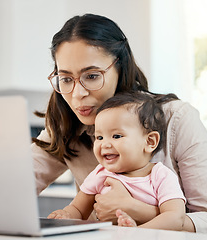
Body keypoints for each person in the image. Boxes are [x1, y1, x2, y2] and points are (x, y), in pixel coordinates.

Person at [31, 13, 207, 235]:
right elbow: (9, 188)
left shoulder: (176, 119)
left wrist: (138, 210)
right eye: (66, 79)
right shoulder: (66, 127)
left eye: (91, 76)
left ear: (120, 68)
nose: (77, 94)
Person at [48, 92, 187, 231]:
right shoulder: (100, 174)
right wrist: (65, 215)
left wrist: (137, 233)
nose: (105, 144)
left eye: (116, 136)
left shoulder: (161, 176)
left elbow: (175, 218)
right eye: (99, 137)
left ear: (150, 142)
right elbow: (78, 210)